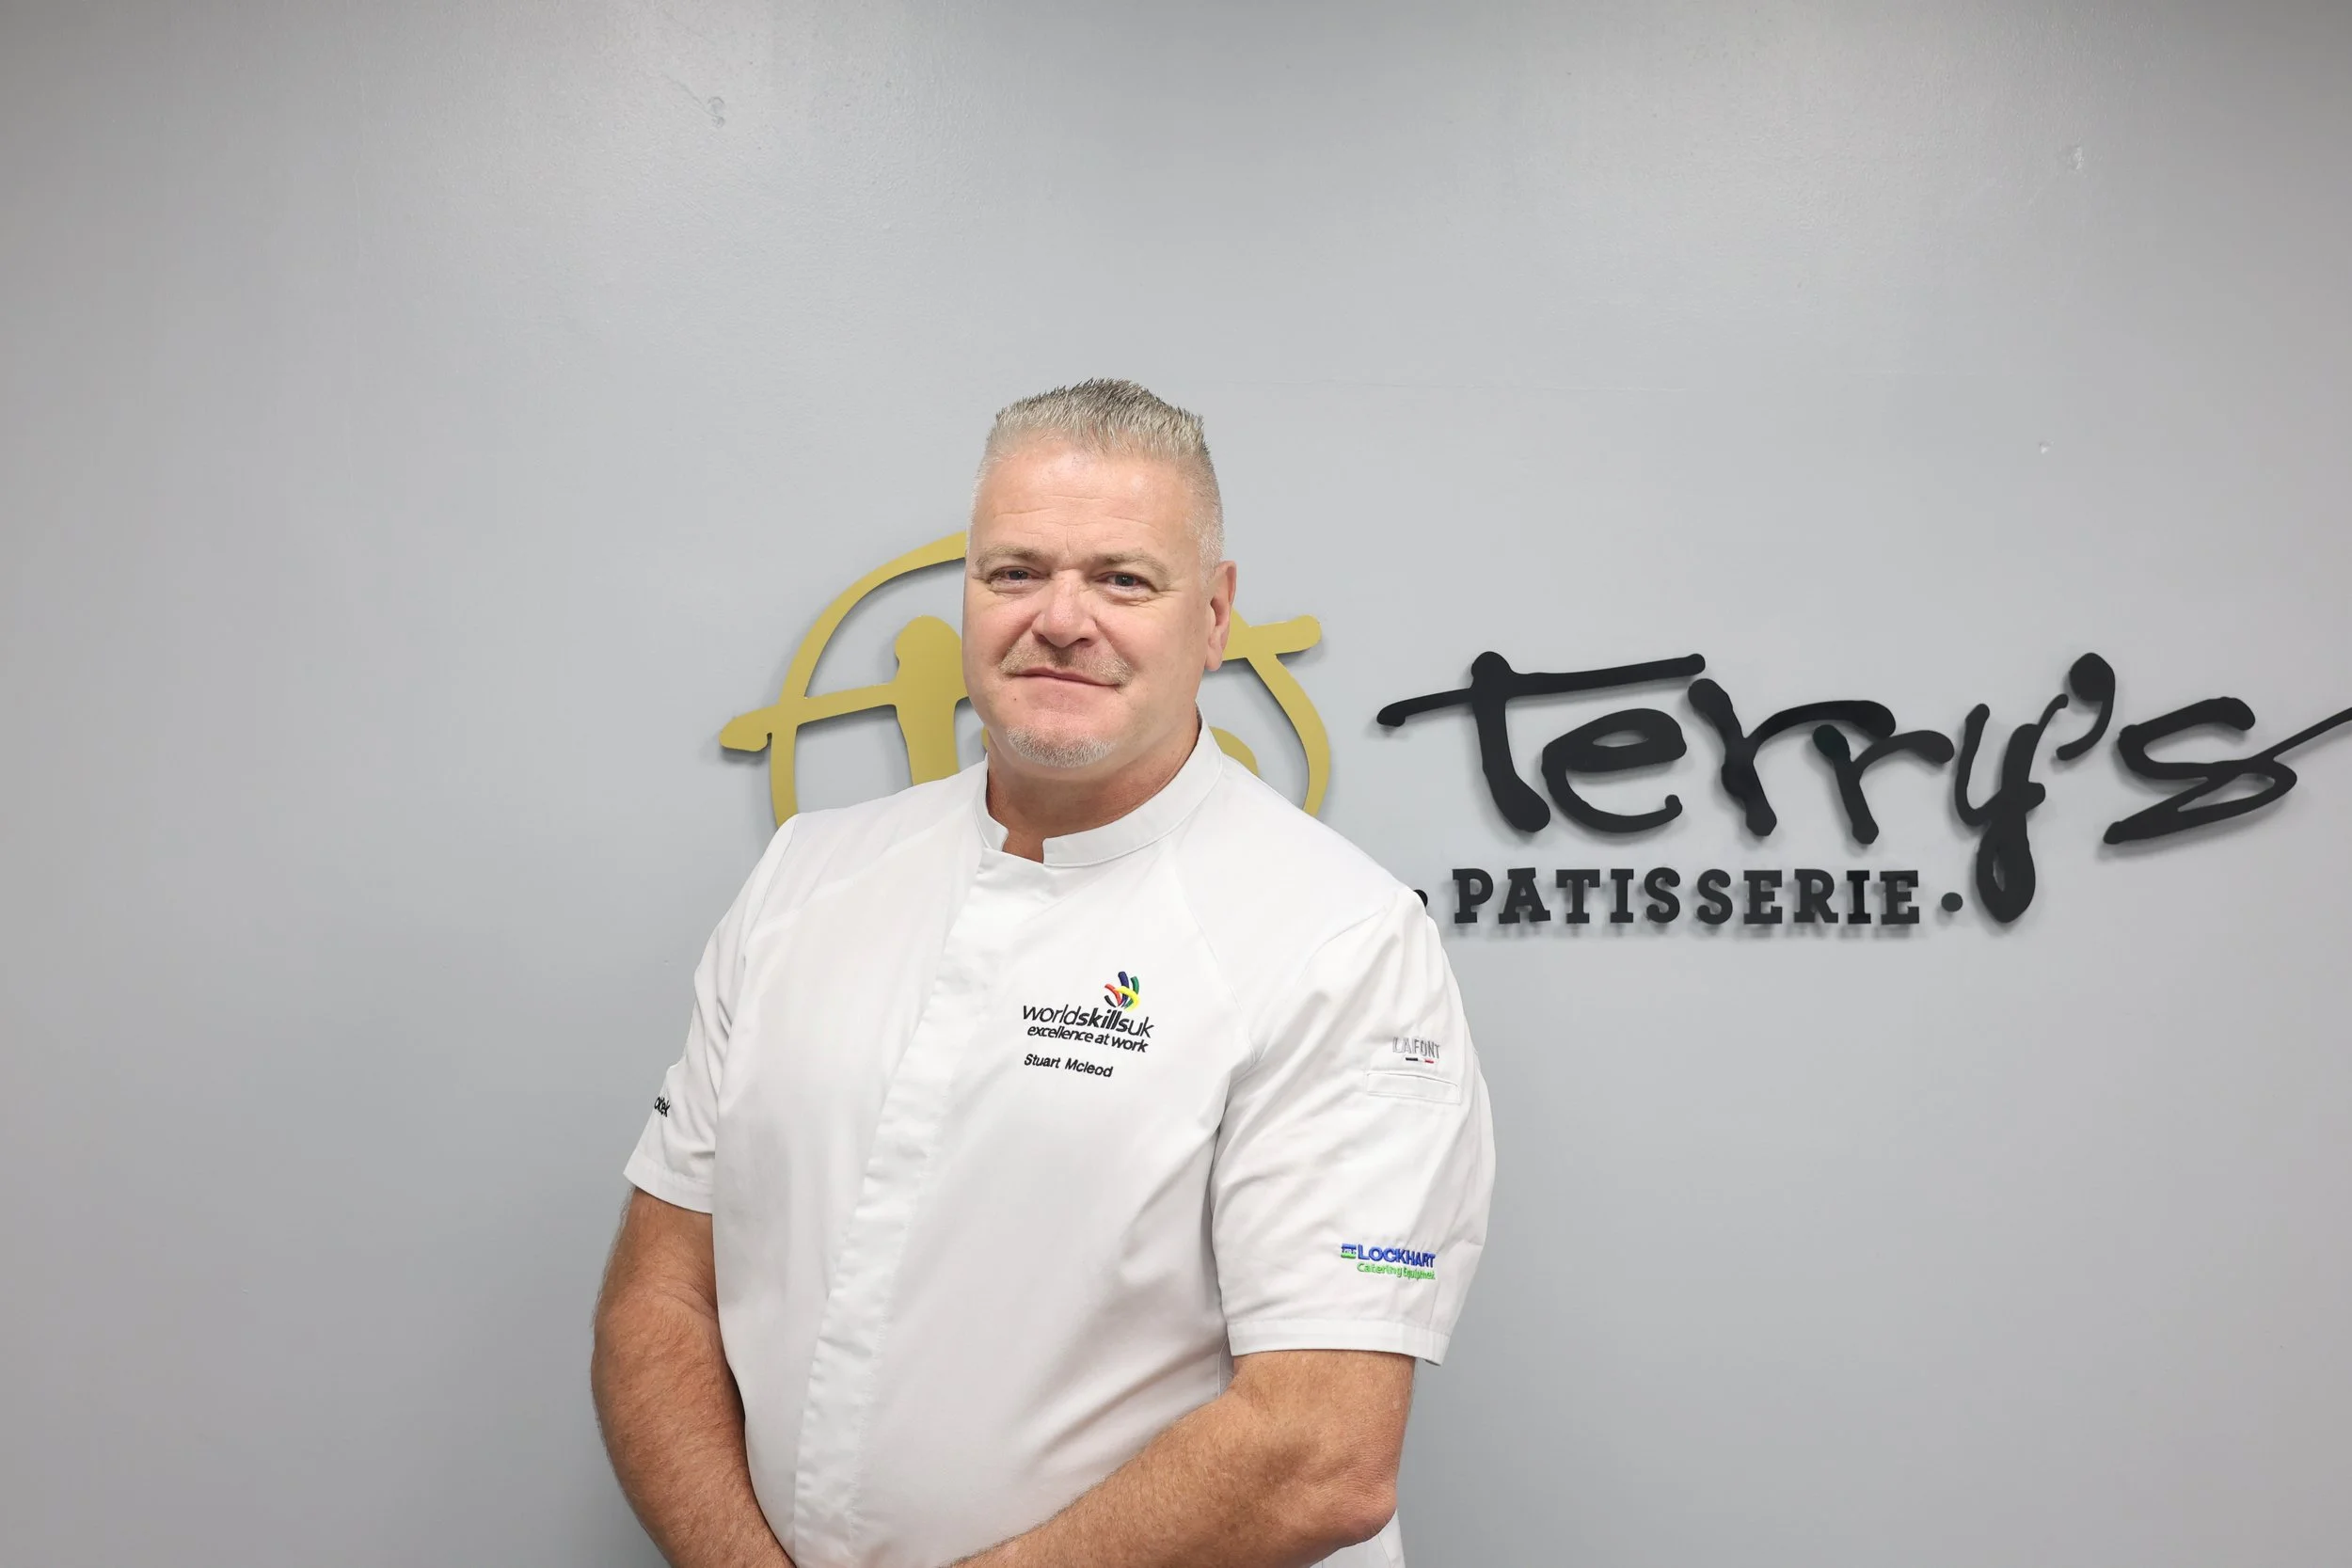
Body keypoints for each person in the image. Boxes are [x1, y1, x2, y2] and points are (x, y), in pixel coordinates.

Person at [592, 379, 1495, 1568]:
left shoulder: (1339, 939)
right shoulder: (807, 877)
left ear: (1214, 615)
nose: (1060, 619)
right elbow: (659, 1296)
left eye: (1123, 579)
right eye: (1014, 571)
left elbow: (1320, 1448)